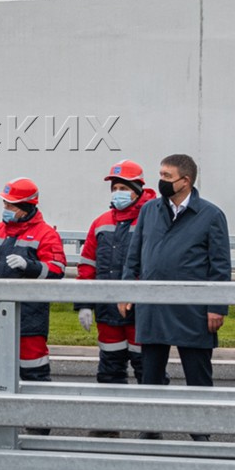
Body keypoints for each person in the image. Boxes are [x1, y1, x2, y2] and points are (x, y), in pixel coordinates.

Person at [119, 154, 231, 405]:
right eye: (160, 175)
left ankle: (200, 432)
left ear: (185, 181)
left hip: (192, 310)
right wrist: (126, 290)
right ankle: (151, 429)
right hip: (153, 307)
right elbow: (133, 255)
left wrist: (217, 306)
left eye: (166, 177)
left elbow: (220, 265)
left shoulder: (211, 215)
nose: (161, 181)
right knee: (150, 376)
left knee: (198, 376)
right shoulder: (149, 210)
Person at [0, 177, 67, 382]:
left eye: (10, 204)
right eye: (5, 203)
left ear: (25, 206)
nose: (5, 208)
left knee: (33, 374)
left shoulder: (46, 234)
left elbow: (57, 269)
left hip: (30, 320)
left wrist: (29, 266)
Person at [77, 160, 155, 391]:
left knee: (147, 368)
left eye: (124, 188)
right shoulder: (100, 223)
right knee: (110, 368)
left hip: (141, 309)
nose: (118, 193)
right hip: (107, 310)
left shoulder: (152, 220)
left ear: (138, 190)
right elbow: (87, 266)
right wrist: (84, 304)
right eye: (115, 189)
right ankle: (109, 423)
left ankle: (151, 423)